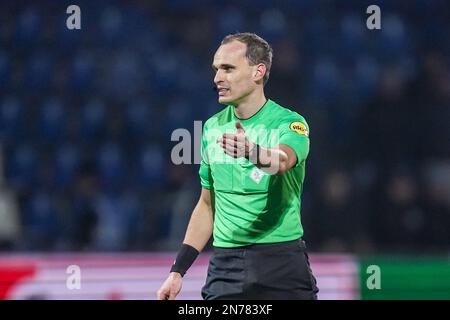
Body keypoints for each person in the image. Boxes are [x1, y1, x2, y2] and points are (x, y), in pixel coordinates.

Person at [157, 32, 318, 300]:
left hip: (281, 265)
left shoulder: (289, 123)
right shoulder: (211, 129)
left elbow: (281, 161)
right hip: (226, 268)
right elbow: (208, 205)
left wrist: (251, 151)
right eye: (216, 69)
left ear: (258, 72)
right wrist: (177, 271)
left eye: (228, 69)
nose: (217, 78)